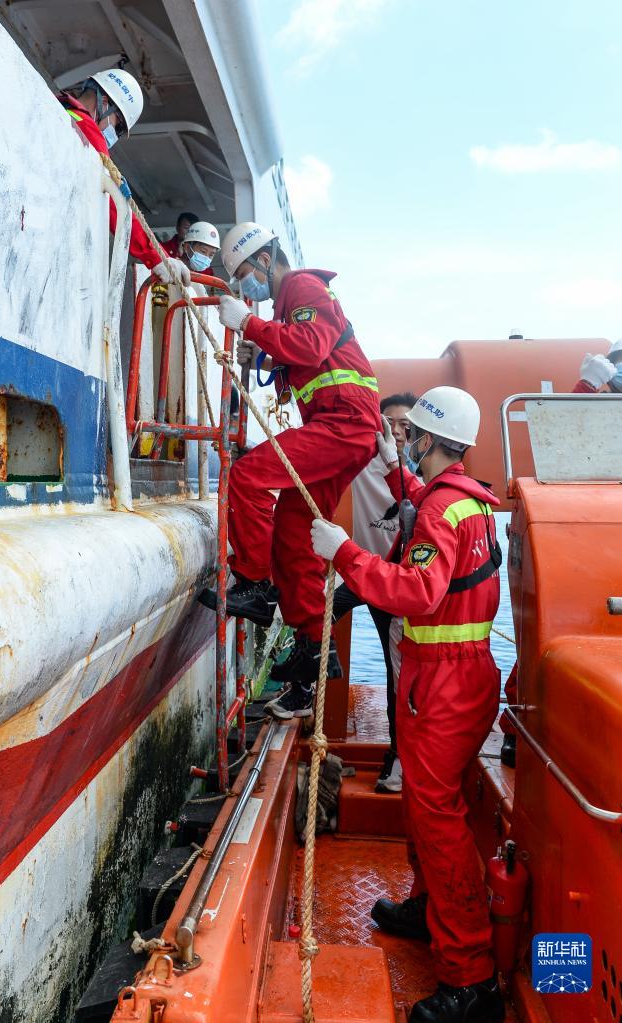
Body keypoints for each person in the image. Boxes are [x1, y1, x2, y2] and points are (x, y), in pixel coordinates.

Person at [311, 386, 505, 1023]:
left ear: (427, 438)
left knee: (438, 820)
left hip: (441, 684)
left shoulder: (441, 508)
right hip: (465, 676)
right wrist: (397, 470)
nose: (406, 440)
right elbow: (426, 512)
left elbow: (418, 590)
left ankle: (471, 979)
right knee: (431, 809)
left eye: (410, 434)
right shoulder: (465, 501)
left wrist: (342, 550)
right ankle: (428, 909)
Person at [198, 222, 381, 719]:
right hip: (342, 426)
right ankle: (312, 658)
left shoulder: (301, 286)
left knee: (248, 475)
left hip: (343, 422)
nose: (246, 286)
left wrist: (250, 325)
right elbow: (308, 357)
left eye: (244, 273)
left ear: (263, 260)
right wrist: (266, 353)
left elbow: (312, 346)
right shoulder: (288, 305)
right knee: (294, 533)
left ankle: (256, 585)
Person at [331, 391, 419, 793]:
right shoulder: (360, 461)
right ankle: (308, 684)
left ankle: (397, 758)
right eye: (389, 424)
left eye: (405, 426)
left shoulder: (422, 479)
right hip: (359, 573)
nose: (396, 432)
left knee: (396, 675)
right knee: (313, 614)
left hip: (393, 584)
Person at [58, 70, 190, 288]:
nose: (115, 136)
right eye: (118, 126)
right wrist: (156, 256)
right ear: (104, 103)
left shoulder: (59, 108)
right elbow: (115, 203)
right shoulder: (88, 130)